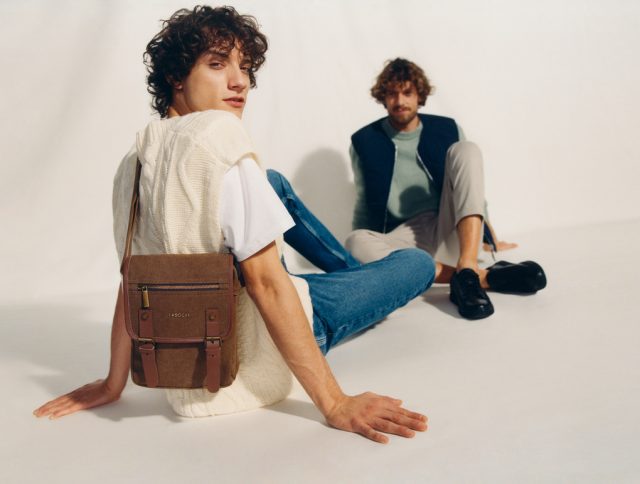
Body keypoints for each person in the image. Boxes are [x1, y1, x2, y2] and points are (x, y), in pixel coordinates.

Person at [34, 6, 433, 444]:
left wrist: (114, 383)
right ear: (176, 76)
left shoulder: (133, 163)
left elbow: (134, 280)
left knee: (270, 182)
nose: (240, 81)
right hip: (269, 339)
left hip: (188, 365)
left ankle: (353, 277)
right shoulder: (219, 138)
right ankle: (358, 280)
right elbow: (268, 285)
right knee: (416, 263)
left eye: (244, 67)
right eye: (217, 64)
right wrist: (335, 403)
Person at [345, 58, 546, 320]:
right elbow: (364, 199)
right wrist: (361, 255)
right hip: (407, 241)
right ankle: (476, 278)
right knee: (354, 243)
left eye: (407, 92)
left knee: (467, 150)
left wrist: (490, 236)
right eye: (392, 93)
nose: (400, 101)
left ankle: (468, 265)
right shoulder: (364, 140)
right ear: (383, 97)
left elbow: (470, 184)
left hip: (450, 227)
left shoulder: (447, 128)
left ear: (420, 95)